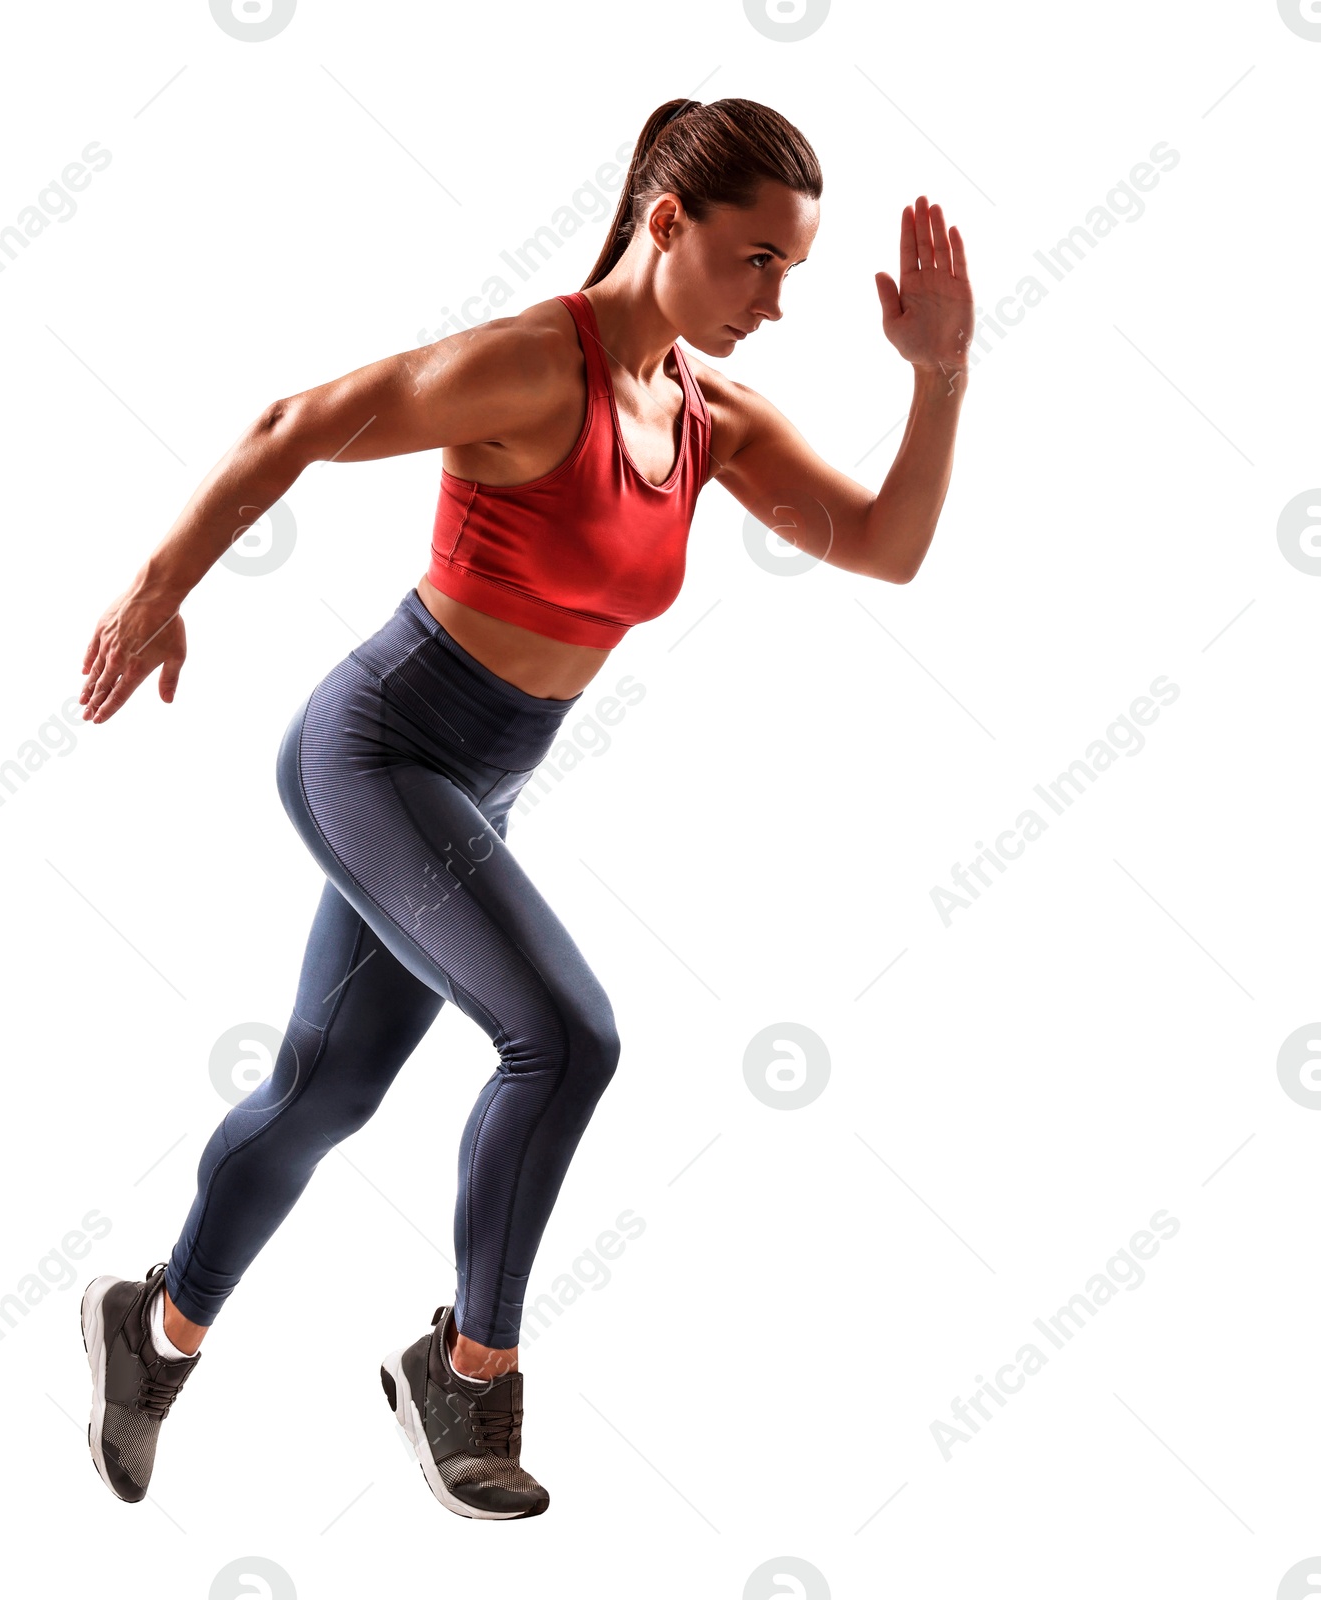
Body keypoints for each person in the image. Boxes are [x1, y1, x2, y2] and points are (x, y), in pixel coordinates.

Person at [76, 95, 973, 1521]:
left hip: (475, 785)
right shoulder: (526, 372)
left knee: (324, 1093)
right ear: (665, 224)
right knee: (564, 1038)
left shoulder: (710, 418)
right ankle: (469, 1371)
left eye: (794, 271)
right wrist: (158, 587)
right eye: (757, 261)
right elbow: (293, 424)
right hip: (372, 752)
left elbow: (885, 545)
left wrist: (939, 376)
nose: (779, 302)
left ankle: (155, 1327)